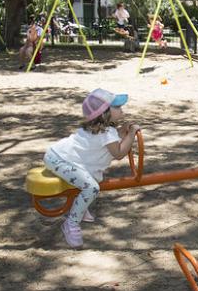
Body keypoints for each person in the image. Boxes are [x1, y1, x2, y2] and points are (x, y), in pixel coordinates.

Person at [43, 88, 141, 247]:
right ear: (105, 113)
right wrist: (131, 134)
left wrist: (123, 131)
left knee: (91, 178)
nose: (122, 109)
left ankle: (80, 208)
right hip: (59, 160)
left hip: (58, 155)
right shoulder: (106, 133)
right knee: (91, 187)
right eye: (117, 107)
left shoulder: (103, 129)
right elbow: (119, 153)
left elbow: (113, 138)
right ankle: (71, 223)